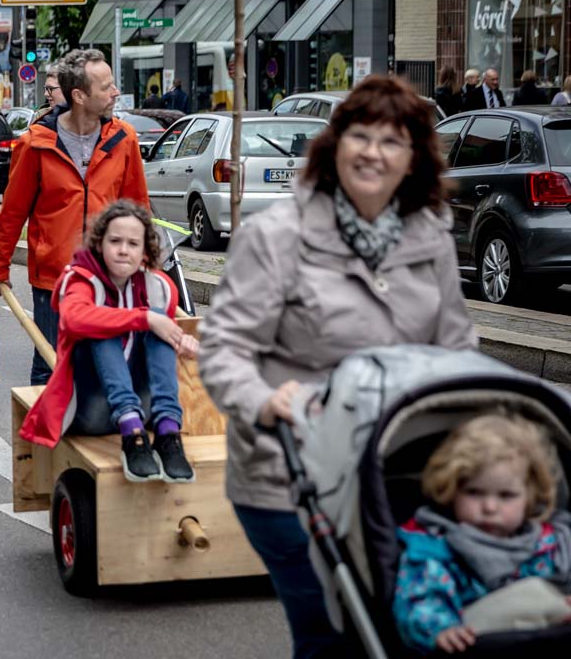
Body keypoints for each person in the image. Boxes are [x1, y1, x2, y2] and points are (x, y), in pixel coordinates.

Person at [198, 75, 478, 659]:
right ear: (335, 144)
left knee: (407, 628)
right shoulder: (278, 234)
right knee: (334, 633)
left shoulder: (429, 235)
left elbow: (456, 350)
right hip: (290, 476)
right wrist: (264, 401)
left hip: (398, 469)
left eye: (393, 141)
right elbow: (223, 348)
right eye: (361, 135)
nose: (373, 152)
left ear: (413, 160)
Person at [0, 48, 150, 385]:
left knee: (110, 363)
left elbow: (138, 210)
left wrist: (146, 265)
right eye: (106, 87)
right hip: (53, 279)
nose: (115, 92)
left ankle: (94, 433)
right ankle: (43, 437)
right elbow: (13, 211)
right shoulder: (36, 144)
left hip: (111, 276)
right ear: (79, 96)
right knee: (51, 366)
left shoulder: (123, 140)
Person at [19, 200, 200, 482]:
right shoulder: (80, 280)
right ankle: (132, 434)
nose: (123, 250)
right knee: (108, 325)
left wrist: (182, 343)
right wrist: (145, 319)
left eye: (132, 243)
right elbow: (76, 318)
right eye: (115, 241)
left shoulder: (158, 287)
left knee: (158, 323)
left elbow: (162, 338)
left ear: (144, 252)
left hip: (147, 408)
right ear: (99, 244)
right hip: (90, 409)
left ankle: (167, 432)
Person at [394, 413, 571, 654]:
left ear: (529, 497)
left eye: (506, 496)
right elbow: (421, 596)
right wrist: (440, 628)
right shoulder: (435, 548)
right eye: (474, 492)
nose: (489, 507)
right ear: (452, 491)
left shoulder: (552, 545)